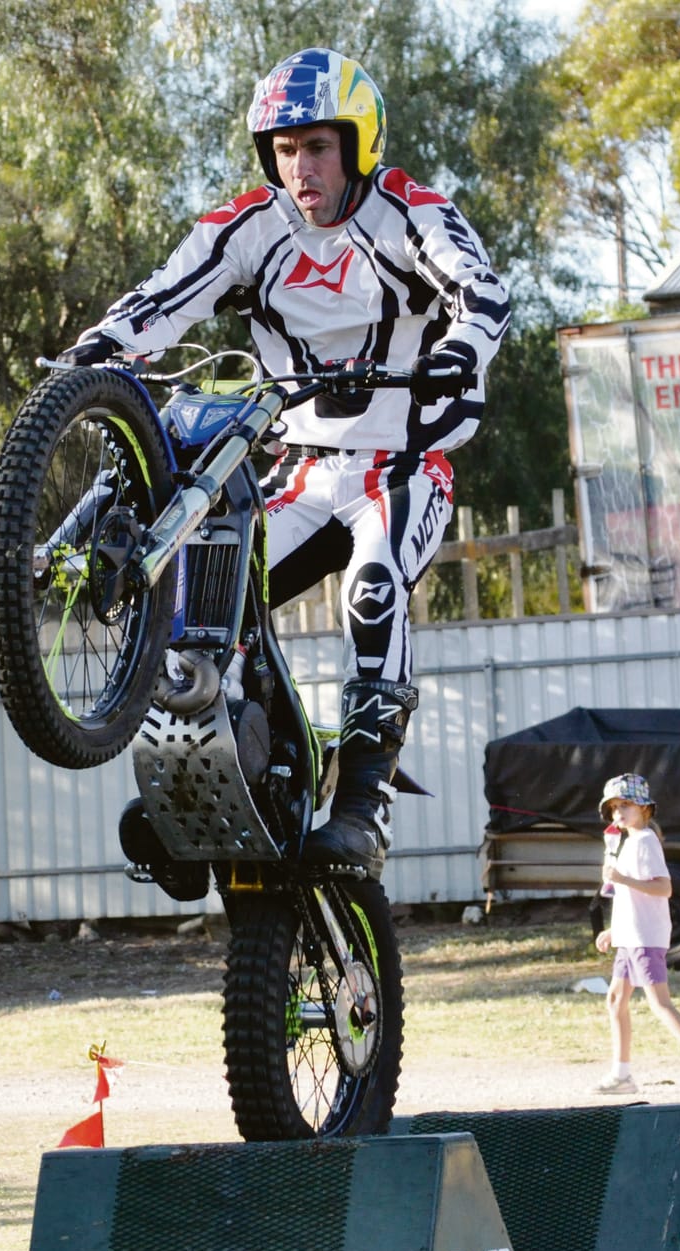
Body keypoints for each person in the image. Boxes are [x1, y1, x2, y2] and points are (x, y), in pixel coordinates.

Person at [63, 47, 510, 878]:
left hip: (402, 466)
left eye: (318, 146)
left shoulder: (410, 212)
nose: (301, 167)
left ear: (357, 143)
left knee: (374, 591)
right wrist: (95, 350)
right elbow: (165, 296)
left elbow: (483, 291)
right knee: (201, 598)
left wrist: (462, 346)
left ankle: (363, 806)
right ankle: (209, 785)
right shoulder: (248, 229)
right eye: (284, 149)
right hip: (302, 466)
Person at [589, 773, 680, 1097]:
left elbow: (663, 888)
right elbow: (633, 899)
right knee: (615, 1000)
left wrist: (622, 878)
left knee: (660, 1003)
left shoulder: (645, 842)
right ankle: (621, 1074)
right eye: (613, 808)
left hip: (644, 939)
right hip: (630, 937)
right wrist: (615, 930)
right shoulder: (630, 842)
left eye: (624, 805)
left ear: (643, 807)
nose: (618, 813)